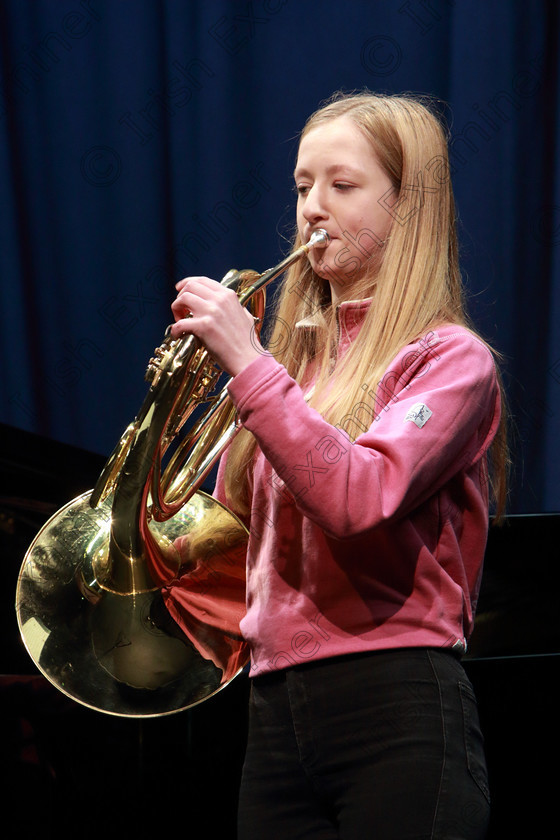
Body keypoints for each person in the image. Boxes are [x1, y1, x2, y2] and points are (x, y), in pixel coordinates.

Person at [165, 91, 508, 839]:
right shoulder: (291, 369)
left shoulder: (451, 361)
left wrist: (250, 367)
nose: (312, 208)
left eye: (341, 186)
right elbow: (233, 546)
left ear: (408, 208)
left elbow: (359, 497)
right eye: (301, 187)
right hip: (273, 714)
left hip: (398, 711)